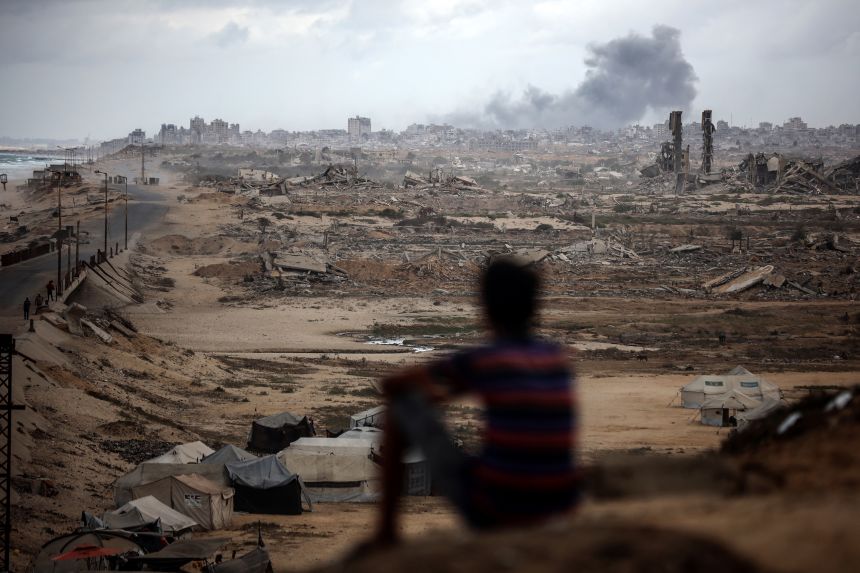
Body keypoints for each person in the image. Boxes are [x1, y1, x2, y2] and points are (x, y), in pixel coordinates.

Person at [367, 259, 579, 551]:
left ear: (486, 307)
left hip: (495, 507)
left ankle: (386, 533)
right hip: (558, 505)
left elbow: (393, 385)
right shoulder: (557, 359)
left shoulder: (484, 360)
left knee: (403, 404)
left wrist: (428, 388)